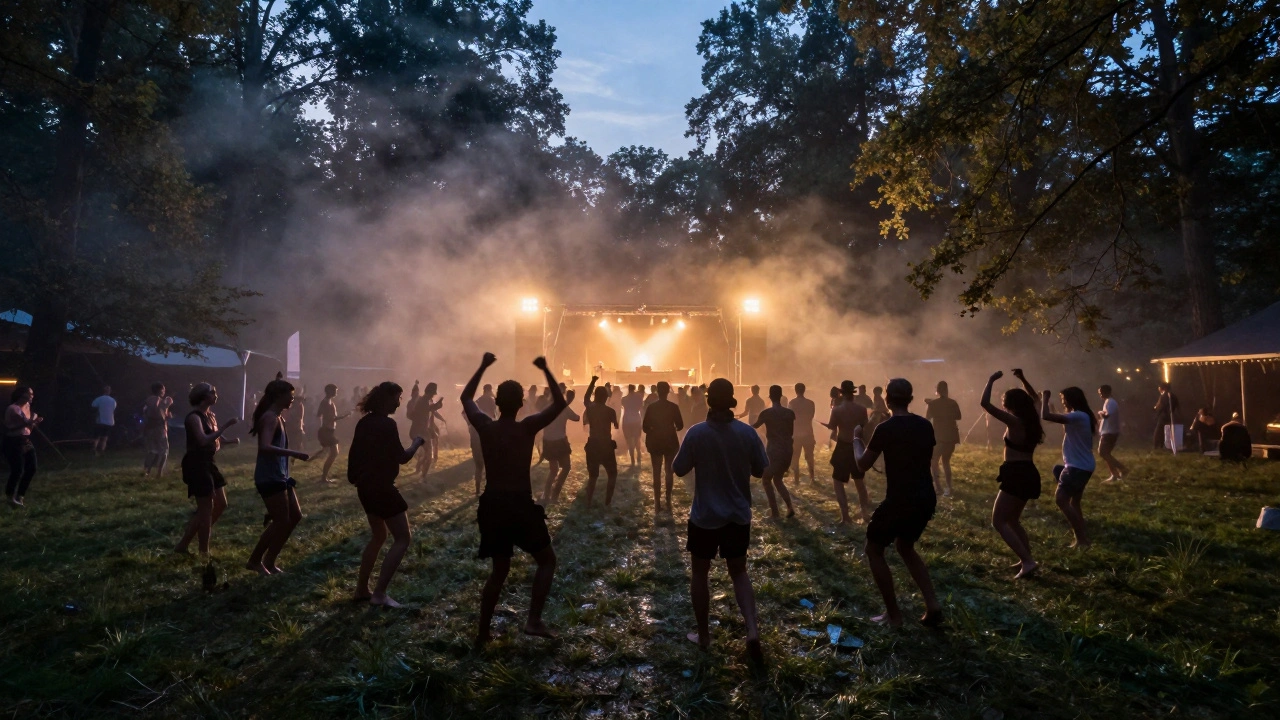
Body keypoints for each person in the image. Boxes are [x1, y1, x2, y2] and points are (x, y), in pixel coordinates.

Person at [462, 353, 567, 647]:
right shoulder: (527, 427)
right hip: (520, 505)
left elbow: (466, 398)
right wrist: (546, 368)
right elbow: (560, 403)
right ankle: (533, 620)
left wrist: (482, 366)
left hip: (493, 505)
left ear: (496, 402)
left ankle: (483, 634)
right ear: (522, 403)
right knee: (546, 561)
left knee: (499, 571)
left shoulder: (485, 426)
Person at [672, 378, 767, 664]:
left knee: (700, 573)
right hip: (738, 515)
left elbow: (678, 469)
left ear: (708, 401)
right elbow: (761, 470)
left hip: (704, 517)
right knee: (739, 572)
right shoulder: (748, 433)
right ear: (733, 400)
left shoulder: (697, 433)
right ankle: (751, 630)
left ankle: (703, 636)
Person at [851, 378, 943, 627]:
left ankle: (894, 616)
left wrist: (857, 439)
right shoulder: (925, 425)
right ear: (910, 399)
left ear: (888, 400)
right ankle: (932, 604)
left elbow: (862, 464)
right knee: (905, 546)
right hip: (925, 497)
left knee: (873, 549)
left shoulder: (886, 428)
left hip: (900, 499)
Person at [348, 382, 426, 607]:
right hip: (382, 487)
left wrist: (355, 478)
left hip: (365, 488)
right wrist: (416, 443)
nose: (399, 402)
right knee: (403, 537)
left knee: (379, 536)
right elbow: (402, 457)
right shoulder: (387, 424)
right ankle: (379, 594)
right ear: (385, 399)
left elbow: (355, 455)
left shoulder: (364, 423)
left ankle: (362, 590)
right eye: (396, 398)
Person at [980, 369, 1044, 579]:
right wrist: (1023, 379)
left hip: (1016, 474)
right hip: (1028, 473)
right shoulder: (1032, 419)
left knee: (998, 521)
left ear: (1011, 405)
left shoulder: (1015, 421)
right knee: (1014, 520)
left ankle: (1028, 561)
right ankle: (1025, 558)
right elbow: (1035, 398)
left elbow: (985, 405)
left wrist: (990, 380)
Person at [246, 379, 311, 576]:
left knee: (295, 516)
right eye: (290, 395)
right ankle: (255, 561)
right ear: (279, 396)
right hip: (269, 477)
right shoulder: (270, 418)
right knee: (282, 521)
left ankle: (270, 561)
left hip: (280, 476)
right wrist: (293, 453)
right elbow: (264, 447)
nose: (293, 398)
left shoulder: (278, 417)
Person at [175, 384, 239, 555]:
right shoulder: (193, 418)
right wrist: (225, 426)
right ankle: (204, 552)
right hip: (196, 464)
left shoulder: (209, 416)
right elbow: (203, 440)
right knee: (205, 510)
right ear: (203, 396)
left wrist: (229, 440)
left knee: (221, 504)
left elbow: (214, 439)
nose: (216, 395)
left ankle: (183, 545)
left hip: (209, 463)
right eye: (213, 392)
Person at [1041, 387, 1096, 549]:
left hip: (1077, 467)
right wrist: (1048, 402)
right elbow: (1054, 417)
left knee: (1061, 500)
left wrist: (1044, 399)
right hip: (1083, 465)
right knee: (1074, 503)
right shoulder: (1082, 415)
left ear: (1072, 399)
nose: (1062, 401)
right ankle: (1083, 538)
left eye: (1063, 398)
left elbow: (1046, 416)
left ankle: (1082, 539)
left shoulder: (1078, 416)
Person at [821, 380, 871, 525]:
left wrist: (821, 423)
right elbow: (864, 426)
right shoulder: (861, 410)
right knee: (860, 482)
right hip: (857, 446)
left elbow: (832, 426)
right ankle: (865, 514)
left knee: (837, 482)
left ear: (842, 393)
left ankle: (846, 516)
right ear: (853, 393)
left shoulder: (837, 410)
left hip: (843, 447)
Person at [753, 385, 796, 518]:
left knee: (766, 479)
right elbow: (791, 433)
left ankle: (775, 512)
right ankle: (789, 507)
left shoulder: (766, 413)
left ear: (770, 397)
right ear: (781, 396)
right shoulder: (790, 413)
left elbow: (754, 426)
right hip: (787, 449)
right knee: (777, 479)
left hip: (774, 449)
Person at [643, 381, 684, 513]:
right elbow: (680, 425)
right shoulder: (673, 407)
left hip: (655, 441)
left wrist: (653, 430)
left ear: (657, 392)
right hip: (670, 441)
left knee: (656, 472)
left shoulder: (651, 407)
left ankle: (656, 501)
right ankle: (668, 497)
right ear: (667, 392)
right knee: (669, 471)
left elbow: (645, 427)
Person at [581, 376, 620, 506]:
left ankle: (588, 502)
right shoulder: (610, 411)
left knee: (593, 476)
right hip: (606, 446)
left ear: (595, 396)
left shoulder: (590, 408)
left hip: (592, 444)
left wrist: (592, 381)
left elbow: (586, 398)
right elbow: (616, 426)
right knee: (612, 475)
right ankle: (607, 502)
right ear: (605, 397)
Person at [539, 389, 580, 505]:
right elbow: (576, 418)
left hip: (548, 441)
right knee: (566, 468)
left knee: (553, 470)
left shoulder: (546, 408)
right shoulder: (564, 408)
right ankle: (555, 495)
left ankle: (546, 495)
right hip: (560, 442)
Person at [4, 386, 41, 507]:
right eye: (30, 393)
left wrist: (33, 422)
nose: (32, 396)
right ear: (22, 394)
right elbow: (23, 423)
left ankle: (20, 496)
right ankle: (10, 497)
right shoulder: (13, 409)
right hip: (13, 441)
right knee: (17, 470)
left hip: (25, 439)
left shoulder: (27, 407)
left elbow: (28, 428)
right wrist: (34, 418)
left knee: (32, 467)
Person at [924, 381, 962, 497]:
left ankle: (938, 488)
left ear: (937, 390)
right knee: (946, 462)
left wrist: (930, 405)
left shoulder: (933, 404)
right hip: (951, 436)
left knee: (933, 461)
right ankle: (949, 488)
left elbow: (927, 418)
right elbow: (959, 417)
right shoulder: (953, 403)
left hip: (938, 437)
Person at [317, 384, 352, 483]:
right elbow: (326, 417)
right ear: (330, 391)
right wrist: (344, 416)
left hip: (328, 430)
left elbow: (321, 415)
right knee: (334, 453)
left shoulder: (328, 402)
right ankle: (323, 478)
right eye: (335, 390)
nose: (337, 392)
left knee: (327, 452)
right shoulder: (326, 402)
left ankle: (323, 476)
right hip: (326, 430)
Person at [408, 383, 443, 479]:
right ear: (430, 392)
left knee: (427, 455)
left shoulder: (424, 400)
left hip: (421, 431)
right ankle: (423, 477)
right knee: (428, 456)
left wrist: (436, 406)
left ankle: (420, 470)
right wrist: (437, 406)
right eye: (433, 393)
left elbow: (427, 410)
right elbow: (425, 410)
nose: (433, 395)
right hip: (420, 432)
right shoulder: (423, 401)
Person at [1096, 385, 1128, 481]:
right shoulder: (1108, 402)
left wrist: (1100, 412)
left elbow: (1107, 415)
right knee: (1106, 453)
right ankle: (1114, 474)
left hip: (1110, 431)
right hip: (1108, 430)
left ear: (1106, 392)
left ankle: (1122, 468)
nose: (1100, 395)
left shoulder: (1111, 402)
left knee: (1102, 452)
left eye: (1101, 392)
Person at [142, 383, 174, 478]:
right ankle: (156, 472)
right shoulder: (154, 399)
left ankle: (149, 471)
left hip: (154, 428)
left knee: (154, 450)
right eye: (163, 389)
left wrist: (167, 412)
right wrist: (166, 405)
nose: (164, 391)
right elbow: (156, 411)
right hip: (158, 428)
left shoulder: (153, 400)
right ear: (159, 390)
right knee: (162, 449)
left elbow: (160, 413)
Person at [789, 383, 817, 482]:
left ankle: (796, 479)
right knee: (809, 456)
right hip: (808, 432)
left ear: (796, 390)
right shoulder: (810, 403)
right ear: (804, 390)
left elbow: (790, 418)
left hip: (796, 433)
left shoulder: (792, 403)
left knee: (795, 456)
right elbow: (811, 417)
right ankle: (812, 477)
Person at [621, 384, 645, 467]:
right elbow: (641, 407)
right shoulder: (639, 398)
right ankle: (638, 453)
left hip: (627, 419)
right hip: (636, 419)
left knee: (629, 440)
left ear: (628, 389)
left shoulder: (624, 399)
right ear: (634, 389)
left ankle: (632, 460)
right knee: (637, 438)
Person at [1153, 383, 1182, 450]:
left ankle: (1157, 445)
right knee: (1167, 431)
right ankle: (1165, 446)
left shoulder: (1164, 396)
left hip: (1164, 416)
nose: (1159, 391)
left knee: (1159, 431)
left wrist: (1155, 409)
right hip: (1171, 415)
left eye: (1160, 389)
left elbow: (1160, 406)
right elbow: (1178, 407)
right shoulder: (1174, 396)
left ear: (1164, 388)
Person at [90, 385, 116, 457]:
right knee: (105, 438)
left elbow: (93, 406)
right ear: (110, 392)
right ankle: (102, 451)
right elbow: (113, 409)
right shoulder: (113, 400)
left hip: (100, 421)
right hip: (109, 421)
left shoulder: (99, 399)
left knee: (96, 437)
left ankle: (94, 449)